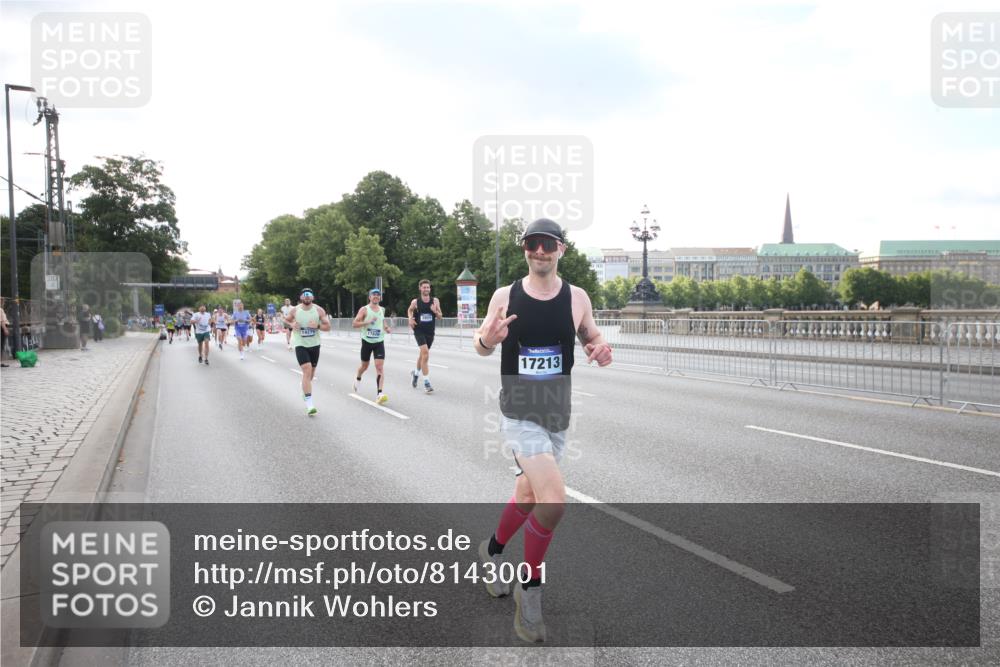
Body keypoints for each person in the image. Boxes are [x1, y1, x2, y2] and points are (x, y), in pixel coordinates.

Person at [473, 218, 613, 643]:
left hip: (557, 417)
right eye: (531, 244)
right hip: (518, 415)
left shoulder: (577, 298)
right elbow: (480, 345)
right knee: (553, 501)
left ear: (561, 249)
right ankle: (529, 591)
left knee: (528, 496)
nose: (539, 251)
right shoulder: (505, 296)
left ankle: (492, 551)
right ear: (525, 250)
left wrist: (600, 347)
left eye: (546, 244)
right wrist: (489, 340)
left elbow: (591, 336)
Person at [284, 288, 330, 415]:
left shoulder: (319, 310)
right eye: (305, 295)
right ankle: (310, 405)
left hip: (315, 345)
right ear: (301, 297)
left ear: (313, 297)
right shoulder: (295, 310)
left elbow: (328, 326)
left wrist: (318, 326)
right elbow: (286, 320)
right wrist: (292, 324)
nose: (307, 297)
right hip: (300, 344)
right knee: (307, 370)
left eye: (309, 295)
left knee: (311, 374)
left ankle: (305, 390)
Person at [352, 288, 391, 404]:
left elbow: (383, 321)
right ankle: (358, 377)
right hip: (366, 341)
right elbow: (354, 324)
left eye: (378, 295)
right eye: (374, 295)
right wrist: (367, 322)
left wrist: (386, 327)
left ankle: (379, 393)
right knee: (365, 366)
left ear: (380, 298)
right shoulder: (364, 309)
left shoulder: (382, 309)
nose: (376, 297)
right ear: (369, 297)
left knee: (379, 367)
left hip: (379, 341)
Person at [408, 279, 442, 394]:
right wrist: (410, 319)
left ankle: (415, 374)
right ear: (420, 288)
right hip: (419, 330)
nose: (426, 289)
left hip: (430, 332)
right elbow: (410, 310)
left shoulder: (435, 301)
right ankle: (427, 383)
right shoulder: (416, 302)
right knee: (426, 354)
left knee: (422, 355)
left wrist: (435, 312)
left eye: (428, 287)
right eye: (424, 287)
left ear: (430, 289)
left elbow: (440, 316)